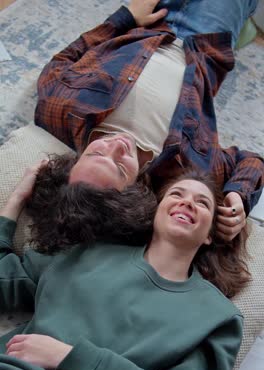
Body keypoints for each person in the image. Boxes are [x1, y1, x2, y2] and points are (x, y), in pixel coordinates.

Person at [0, 163, 246, 370]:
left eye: (202, 202)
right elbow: (4, 282)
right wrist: (14, 203)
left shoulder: (219, 319)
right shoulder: (90, 251)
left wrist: (69, 357)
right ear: (157, 211)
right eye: (177, 194)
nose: (187, 202)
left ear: (210, 235)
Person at [34, 0, 264, 242]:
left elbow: (61, 63)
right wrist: (238, 196)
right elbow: (250, 162)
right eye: (121, 167)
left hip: (148, 23)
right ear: (135, 190)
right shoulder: (184, 167)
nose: (116, 145)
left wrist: (124, 18)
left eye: (96, 154)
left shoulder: (60, 111)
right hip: (205, 42)